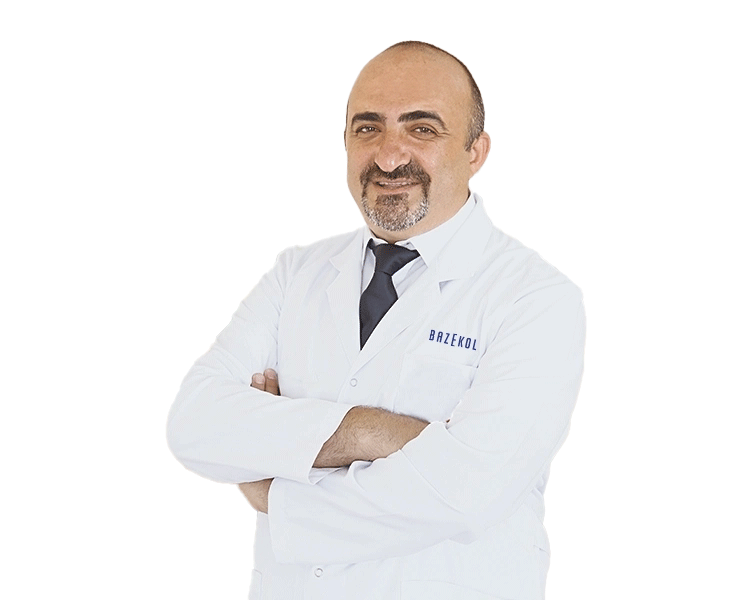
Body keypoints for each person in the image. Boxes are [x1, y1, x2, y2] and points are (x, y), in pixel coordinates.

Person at [167, 40, 586, 600]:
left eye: (422, 129)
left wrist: (274, 483)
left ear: (475, 152)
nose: (389, 157)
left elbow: (463, 493)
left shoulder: (535, 299)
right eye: (368, 128)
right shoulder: (296, 274)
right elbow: (193, 424)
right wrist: (370, 430)